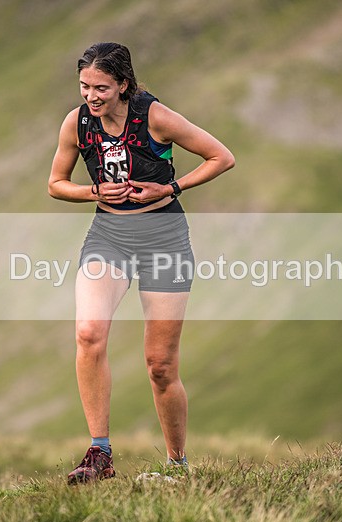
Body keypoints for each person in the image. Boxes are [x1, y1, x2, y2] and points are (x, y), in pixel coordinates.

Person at [48, 42, 234, 484]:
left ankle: (177, 463)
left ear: (123, 85)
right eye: (84, 86)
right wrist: (92, 192)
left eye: (101, 88)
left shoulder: (155, 117)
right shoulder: (76, 123)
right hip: (108, 236)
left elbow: (221, 157)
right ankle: (100, 454)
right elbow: (56, 184)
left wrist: (171, 189)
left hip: (163, 239)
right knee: (89, 333)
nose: (91, 96)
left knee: (160, 365)